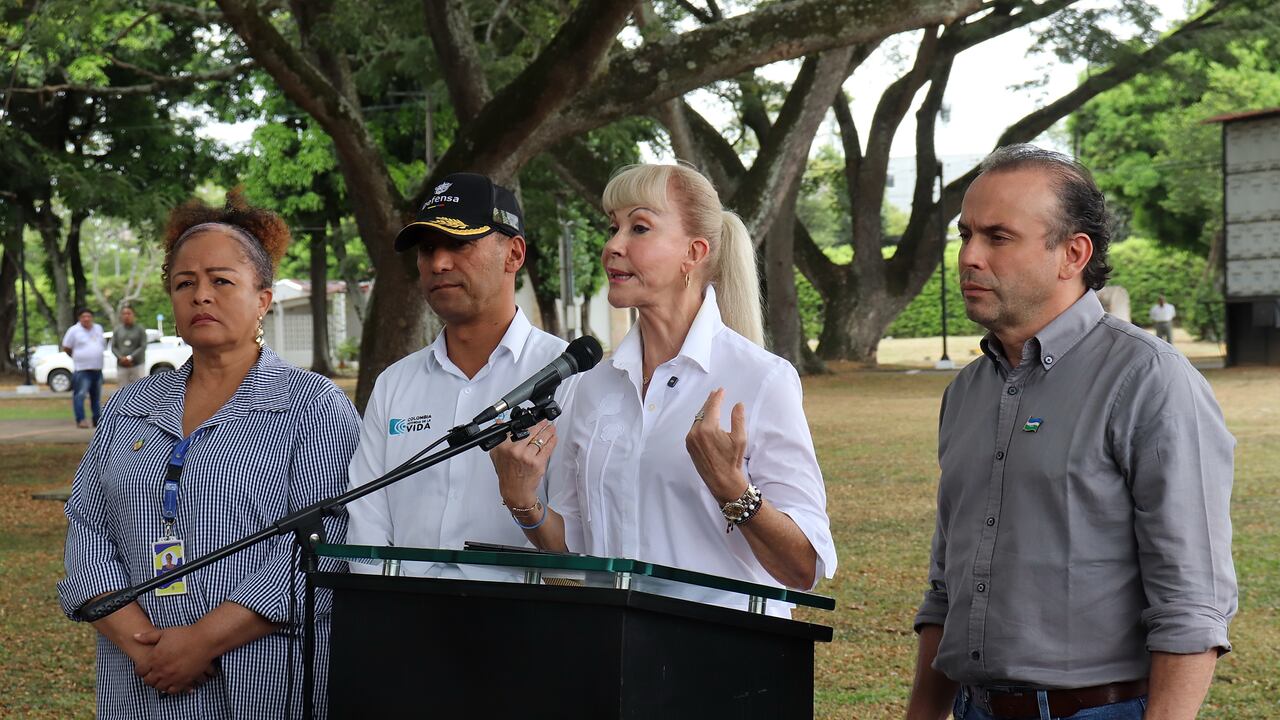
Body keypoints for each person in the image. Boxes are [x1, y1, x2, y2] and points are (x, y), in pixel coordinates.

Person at [905, 145, 1236, 720]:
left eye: (998, 237)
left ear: (1072, 253)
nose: (969, 257)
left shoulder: (1149, 379)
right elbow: (947, 589)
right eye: (965, 235)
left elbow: (1191, 602)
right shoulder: (966, 392)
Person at [58, 190, 361, 718]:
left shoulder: (310, 405)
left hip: (262, 680)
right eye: (184, 283)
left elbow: (327, 542)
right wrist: (144, 647)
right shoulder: (131, 406)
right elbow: (87, 532)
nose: (201, 296)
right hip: (141, 682)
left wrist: (202, 641)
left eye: (221, 281)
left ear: (263, 298)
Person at [489, 164, 836, 616]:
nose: (613, 246)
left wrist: (734, 489)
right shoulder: (593, 386)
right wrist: (524, 502)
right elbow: (575, 549)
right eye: (613, 228)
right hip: (616, 643)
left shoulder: (762, 379)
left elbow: (803, 568)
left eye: (639, 228)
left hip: (724, 647)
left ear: (693, 252)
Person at [345, 173, 569, 579]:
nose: (438, 263)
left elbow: (581, 541)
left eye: (459, 244)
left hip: (521, 612)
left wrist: (524, 502)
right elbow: (366, 526)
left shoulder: (568, 375)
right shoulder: (394, 384)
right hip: (402, 611)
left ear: (514, 254)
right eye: (427, 249)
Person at [62, 307, 106, 428]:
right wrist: (78, 356)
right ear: (79, 318)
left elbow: (102, 344)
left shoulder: (98, 328)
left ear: (92, 318)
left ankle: (97, 420)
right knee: (80, 395)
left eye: (89, 316)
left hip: (97, 368)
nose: (86, 319)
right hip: (82, 369)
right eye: (83, 317)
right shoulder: (74, 330)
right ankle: (80, 419)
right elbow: (66, 347)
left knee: (96, 397)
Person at [112, 305, 149, 386]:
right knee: (123, 389)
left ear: (133, 315)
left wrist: (130, 357)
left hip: (137, 365)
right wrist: (121, 358)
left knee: (139, 387)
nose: (126, 316)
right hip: (122, 366)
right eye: (124, 314)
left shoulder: (140, 329)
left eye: (129, 313)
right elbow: (113, 347)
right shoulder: (117, 330)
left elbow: (143, 346)